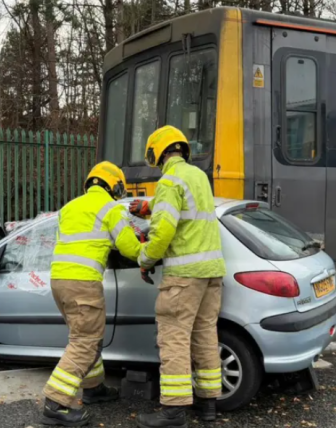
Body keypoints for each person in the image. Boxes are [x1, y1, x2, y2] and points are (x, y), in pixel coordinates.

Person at [129, 125, 226, 428]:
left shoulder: (169, 181)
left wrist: (144, 258)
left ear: (158, 152)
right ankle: (208, 404)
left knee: (173, 339)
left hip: (184, 276)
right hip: (212, 274)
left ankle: (173, 412)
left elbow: (165, 230)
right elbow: (186, 214)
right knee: (205, 337)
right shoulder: (199, 177)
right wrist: (148, 207)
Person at [41, 161, 142, 427]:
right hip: (83, 283)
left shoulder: (69, 207)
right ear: (115, 185)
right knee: (85, 341)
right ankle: (56, 404)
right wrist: (152, 249)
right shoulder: (110, 208)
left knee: (87, 338)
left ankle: (94, 388)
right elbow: (129, 248)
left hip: (59, 281)